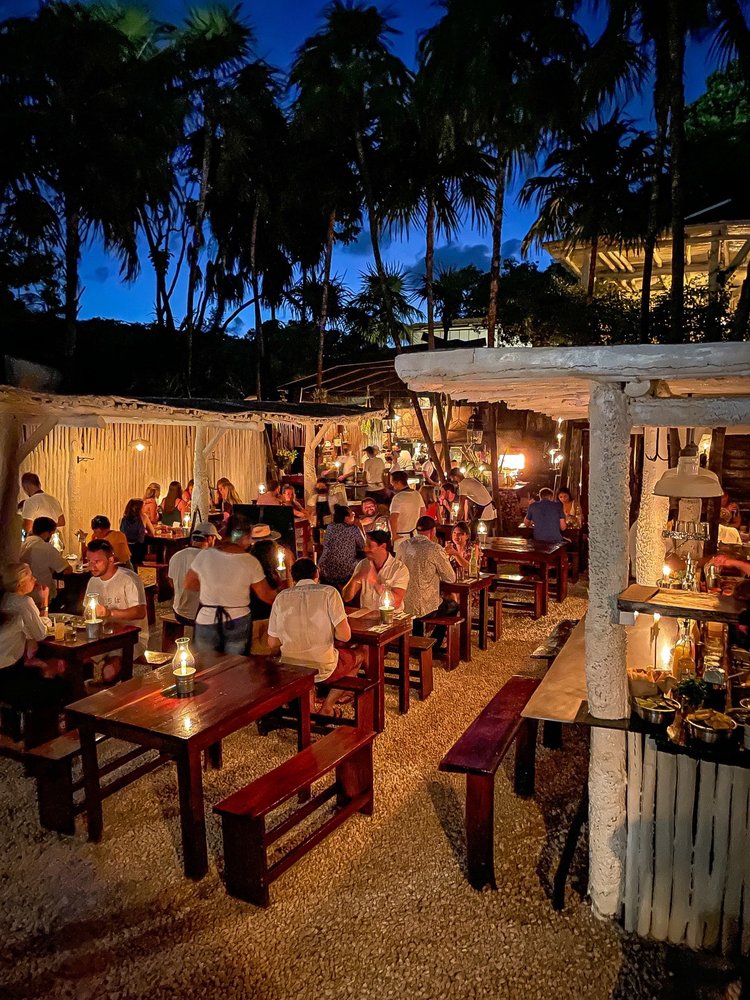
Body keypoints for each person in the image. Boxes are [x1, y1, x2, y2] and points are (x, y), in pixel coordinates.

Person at [267, 558, 363, 717]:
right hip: (323, 668)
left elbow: (272, 642)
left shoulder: (281, 597)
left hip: (290, 667)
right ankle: (327, 707)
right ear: (317, 573)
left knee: (305, 660)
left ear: (293, 577)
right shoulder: (329, 592)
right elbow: (345, 636)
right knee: (359, 656)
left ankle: (310, 707)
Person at [183, 516, 278, 654]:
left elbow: (188, 583)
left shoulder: (206, 555)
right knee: (235, 667)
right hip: (237, 618)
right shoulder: (249, 562)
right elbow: (266, 595)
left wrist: (213, 587)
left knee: (206, 666)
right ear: (244, 537)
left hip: (207, 617)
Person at [0, 564, 68, 735]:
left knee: (43, 670)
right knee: (60, 685)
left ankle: (19, 727)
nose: (35, 579)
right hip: (9, 675)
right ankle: (44, 736)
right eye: (30, 577)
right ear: (20, 585)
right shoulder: (24, 602)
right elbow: (40, 633)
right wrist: (44, 602)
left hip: (6, 671)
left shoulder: (5, 599)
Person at [85, 539, 149, 682]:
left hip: (132, 637)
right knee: (73, 662)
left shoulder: (129, 579)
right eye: (89, 561)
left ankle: (118, 698)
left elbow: (140, 611)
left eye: (97, 562)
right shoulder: (93, 582)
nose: (92, 566)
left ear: (111, 560)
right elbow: (87, 610)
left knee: (109, 672)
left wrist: (110, 613)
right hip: (102, 636)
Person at [397, 515, 457, 652]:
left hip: (404, 601)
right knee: (452, 606)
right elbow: (450, 578)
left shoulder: (403, 546)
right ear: (433, 531)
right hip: (425, 606)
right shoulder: (434, 549)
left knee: (418, 603)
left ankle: (418, 645)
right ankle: (434, 644)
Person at [343, 530, 409, 610]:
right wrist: (355, 579)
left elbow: (396, 603)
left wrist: (375, 583)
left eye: (369, 546)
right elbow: (346, 598)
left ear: (383, 546)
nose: (365, 549)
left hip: (392, 618)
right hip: (367, 617)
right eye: (365, 545)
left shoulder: (399, 569)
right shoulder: (363, 564)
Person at [168, 522, 219, 624]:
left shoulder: (176, 556)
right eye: (214, 539)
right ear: (209, 539)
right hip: (200, 616)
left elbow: (171, 582)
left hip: (179, 613)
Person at [20, 516, 71, 609]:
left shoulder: (22, 545)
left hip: (21, 596)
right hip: (41, 598)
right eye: (51, 533)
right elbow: (67, 569)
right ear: (48, 533)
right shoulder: (46, 549)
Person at [249, 538, 286, 654]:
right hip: (262, 624)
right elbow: (277, 599)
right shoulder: (261, 577)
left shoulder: (269, 573)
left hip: (262, 620)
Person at [318, 504, 366, 589]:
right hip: (344, 571)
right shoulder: (353, 529)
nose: (354, 516)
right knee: (365, 563)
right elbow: (363, 545)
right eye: (352, 514)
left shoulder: (330, 527)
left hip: (325, 569)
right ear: (346, 518)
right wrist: (360, 526)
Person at [389, 470, 425, 540]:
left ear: (398, 482)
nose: (392, 485)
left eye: (392, 483)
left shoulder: (398, 497)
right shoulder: (417, 494)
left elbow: (393, 518)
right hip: (414, 534)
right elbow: (423, 512)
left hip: (401, 536)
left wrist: (394, 535)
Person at [120, 498, 155, 565]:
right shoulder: (143, 517)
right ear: (140, 508)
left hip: (126, 547)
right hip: (139, 547)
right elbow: (152, 532)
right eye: (144, 506)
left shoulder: (123, 519)